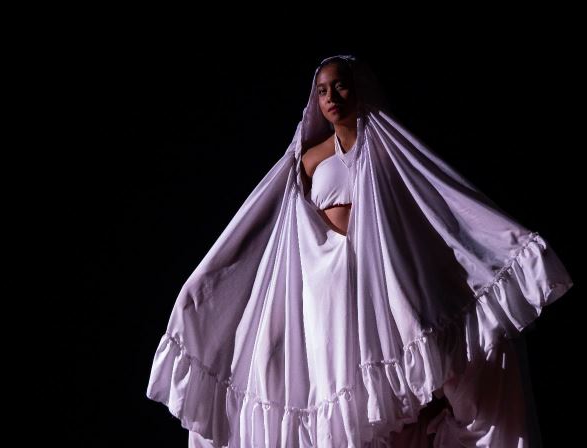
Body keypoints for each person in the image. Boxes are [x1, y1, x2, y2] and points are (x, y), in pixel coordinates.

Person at [146, 55, 574, 447]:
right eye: (322, 90)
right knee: (324, 379)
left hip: (375, 277)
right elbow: (275, 222)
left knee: (444, 360)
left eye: (339, 86)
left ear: (359, 88)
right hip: (326, 284)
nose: (331, 97)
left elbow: (435, 199)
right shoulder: (309, 159)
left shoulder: (387, 148)